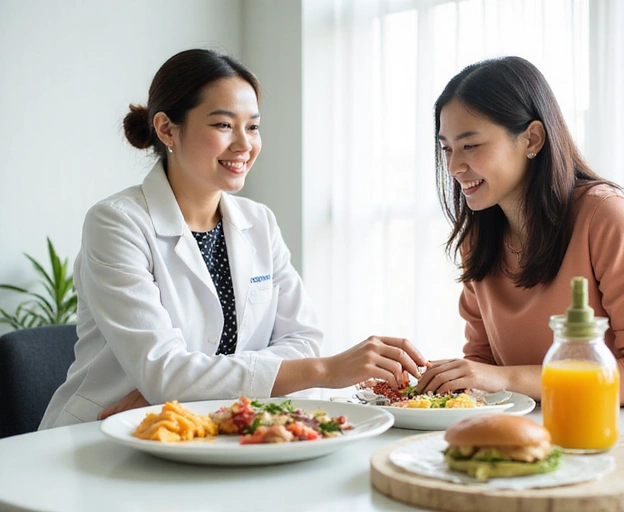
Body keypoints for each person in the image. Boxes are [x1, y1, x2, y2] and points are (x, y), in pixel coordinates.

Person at [40, 49, 426, 429]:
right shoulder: (117, 223)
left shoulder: (258, 222)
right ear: (166, 129)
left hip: (204, 430)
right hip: (103, 436)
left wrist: (187, 389)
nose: (244, 144)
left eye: (253, 126)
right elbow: (166, 373)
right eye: (224, 125)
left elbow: (302, 339)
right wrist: (326, 370)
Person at [415, 56, 624, 407]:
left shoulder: (605, 217)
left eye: (470, 145)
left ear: (532, 138)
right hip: (547, 438)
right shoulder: (478, 238)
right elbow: (483, 366)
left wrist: (503, 377)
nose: (454, 166)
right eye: (447, 148)